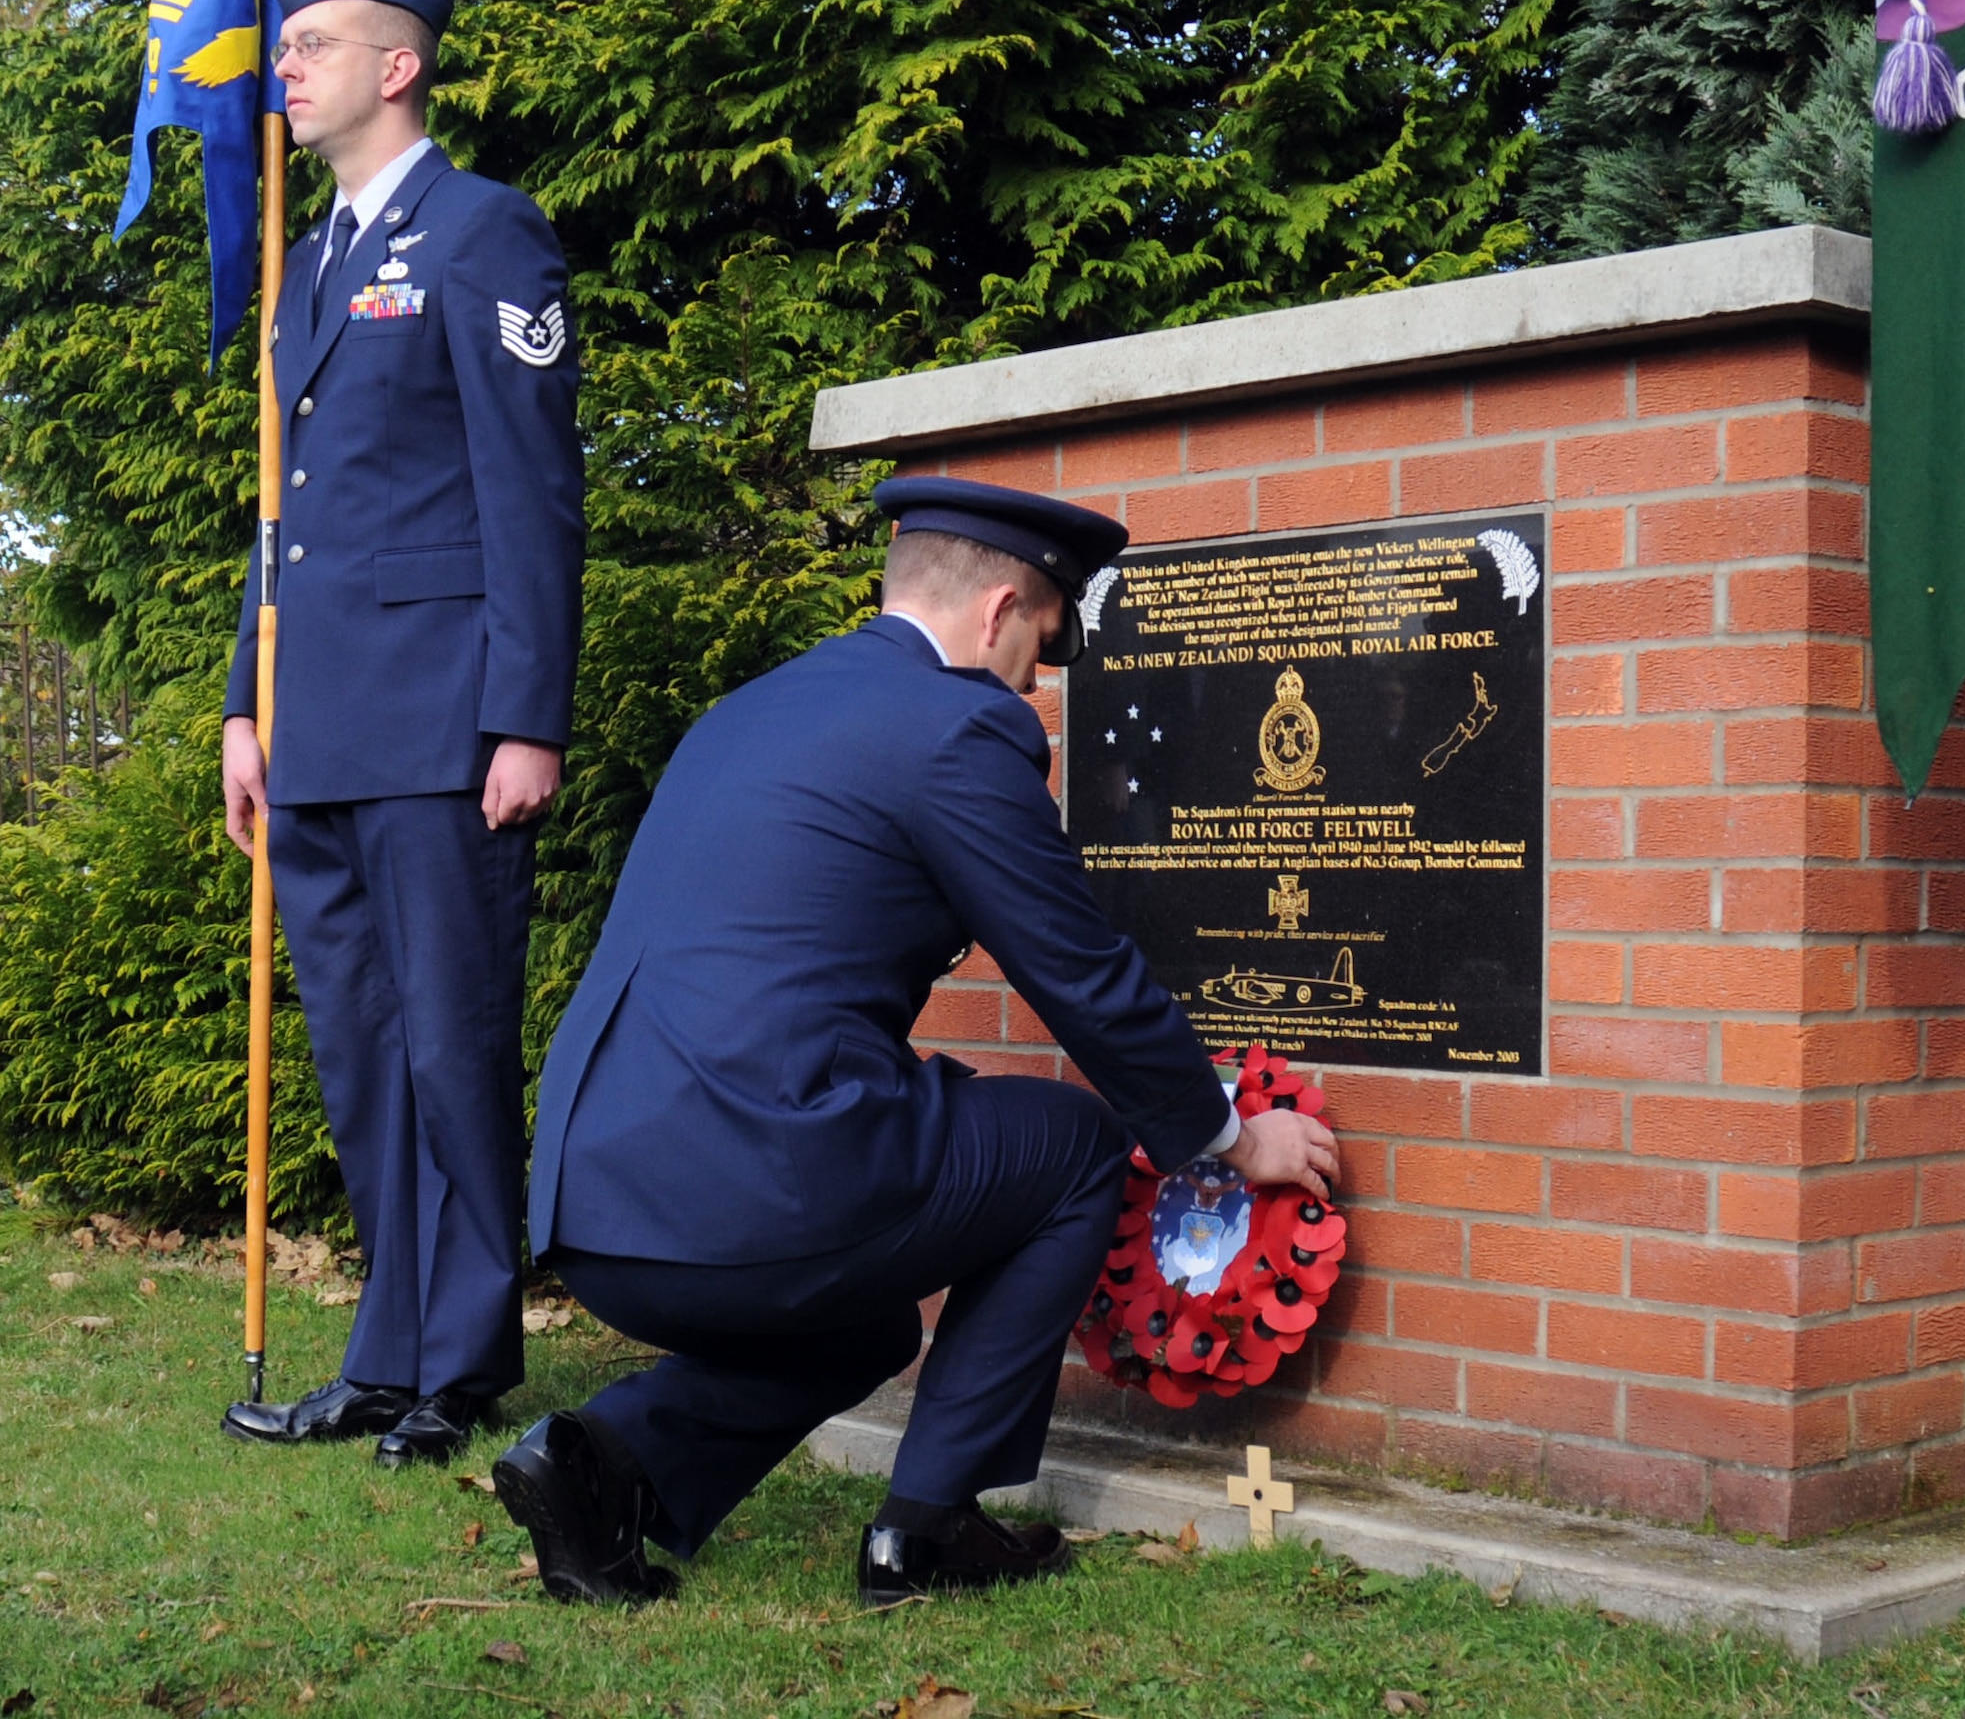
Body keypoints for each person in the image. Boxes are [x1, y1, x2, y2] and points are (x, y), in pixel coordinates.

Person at [498, 477, 1338, 1604]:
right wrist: (1229, 1138)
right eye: (1042, 646)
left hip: (593, 1206)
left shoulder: (753, 705)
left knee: (866, 1324)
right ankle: (928, 1526)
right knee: (1080, 1142)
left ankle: (601, 1461)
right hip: (747, 1186)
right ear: (996, 612)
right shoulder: (959, 726)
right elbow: (1079, 972)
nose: (1036, 684)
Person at [218, 0, 586, 1467]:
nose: (283, 71)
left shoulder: (486, 235)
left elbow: (534, 495)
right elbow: (283, 511)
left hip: (443, 725)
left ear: (398, 65)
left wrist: (529, 719)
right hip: (319, 726)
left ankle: (465, 1365)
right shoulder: (311, 262)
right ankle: (387, 1357)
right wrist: (247, 702)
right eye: (283, 47)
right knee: (362, 1052)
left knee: (448, 1041)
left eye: (309, 47)